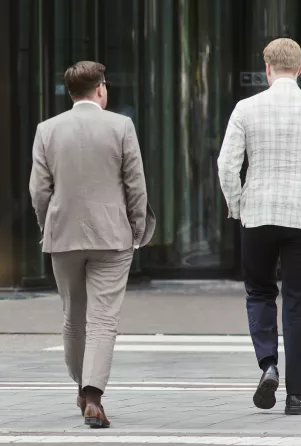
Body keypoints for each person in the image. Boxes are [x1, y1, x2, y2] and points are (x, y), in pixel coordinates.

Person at [217, 38, 301, 415]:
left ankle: (268, 365)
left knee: (259, 291)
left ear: (268, 69)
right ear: (300, 69)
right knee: (298, 301)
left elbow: (227, 164)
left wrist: (237, 204)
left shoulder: (246, 108)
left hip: (257, 214)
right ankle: (296, 395)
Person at [29, 61, 155, 428]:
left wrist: (47, 224)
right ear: (101, 88)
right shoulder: (121, 126)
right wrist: (136, 230)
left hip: (63, 234)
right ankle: (94, 396)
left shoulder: (47, 130)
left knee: (73, 316)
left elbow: (39, 190)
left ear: (71, 92)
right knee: (103, 318)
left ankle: (81, 387)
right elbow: (136, 184)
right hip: (112, 236)